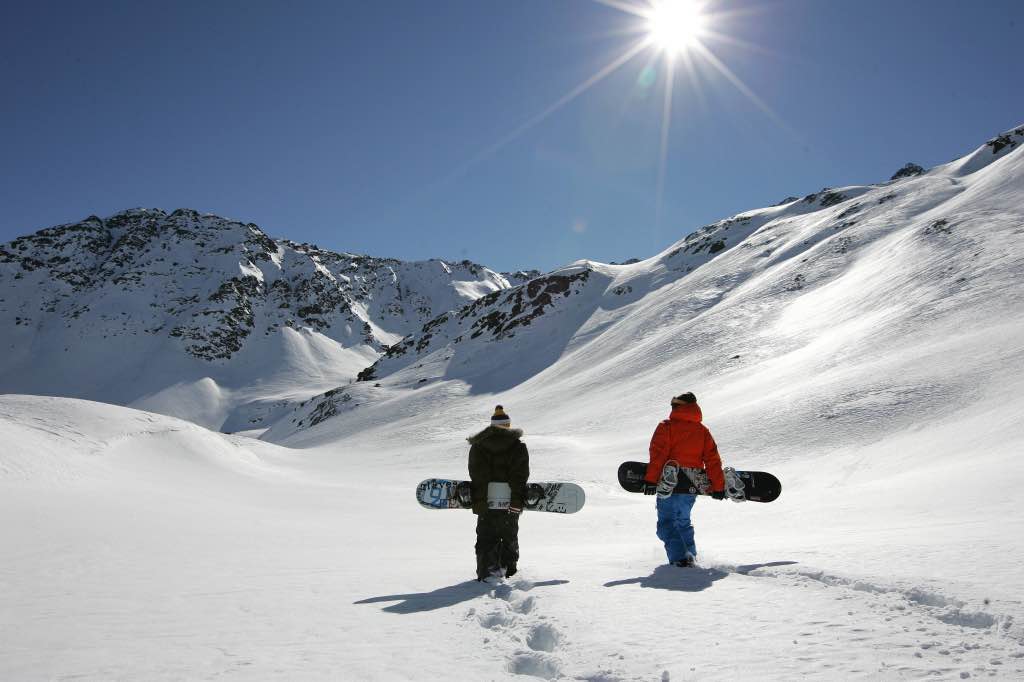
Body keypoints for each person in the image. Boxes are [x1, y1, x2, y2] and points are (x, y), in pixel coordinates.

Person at [642, 392, 725, 567]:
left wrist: (651, 480)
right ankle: (691, 556)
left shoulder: (667, 427)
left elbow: (658, 454)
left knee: (666, 523)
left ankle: (681, 560)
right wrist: (718, 486)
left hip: (669, 484)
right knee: (683, 521)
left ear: (680, 407)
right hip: (691, 485)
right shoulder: (702, 431)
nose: (672, 409)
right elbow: (712, 459)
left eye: (675, 405)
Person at [467, 405, 529, 581]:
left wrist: (479, 501)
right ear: (508, 426)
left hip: (485, 504)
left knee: (486, 538)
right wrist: (517, 501)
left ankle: (485, 574)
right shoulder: (518, 447)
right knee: (509, 537)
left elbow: (477, 476)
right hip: (510, 504)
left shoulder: (478, 447)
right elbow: (519, 477)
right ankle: (509, 575)